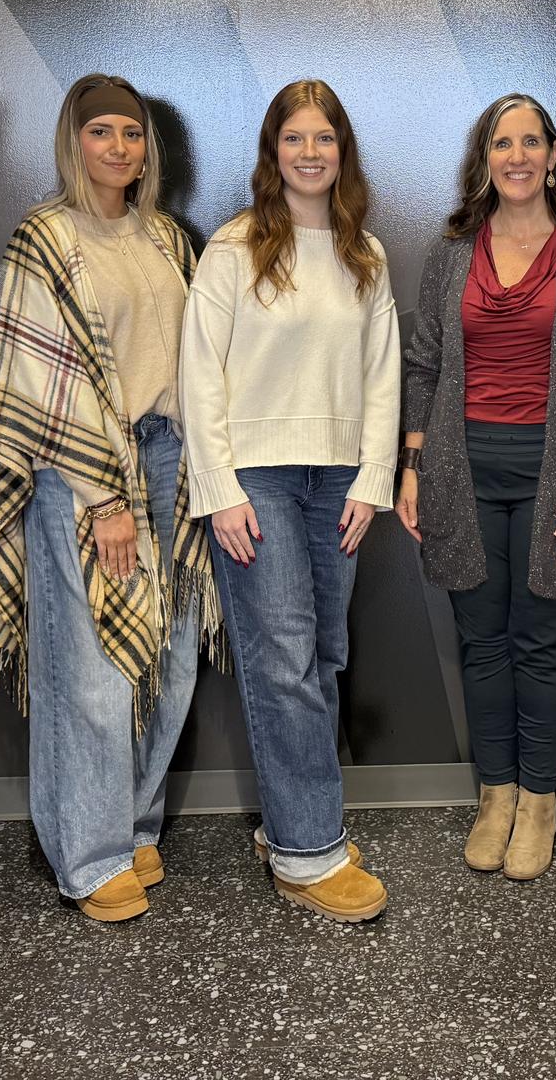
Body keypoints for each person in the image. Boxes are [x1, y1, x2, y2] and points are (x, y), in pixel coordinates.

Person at [0, 74, 220, 922]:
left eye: (133, 133)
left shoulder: (168, 240)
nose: (119, 148)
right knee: (95, 669)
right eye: (102, 131)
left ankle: (135, 827)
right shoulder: (45, 238)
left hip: (172, 461)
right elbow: (37, 384)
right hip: (85, 474)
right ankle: (89, 850)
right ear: (74, 141)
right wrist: (102, 495)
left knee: (171, 656)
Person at [397, 94, 556, 881]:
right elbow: (423, 365)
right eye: (504, 143)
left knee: (542, 644)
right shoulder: (451, 252)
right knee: (482, 643)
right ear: (486, 157)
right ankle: (494, 795)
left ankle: (538, 802)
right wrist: (412, 465)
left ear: (555, 153)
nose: (519, 156)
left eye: (532, 141)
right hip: (462, 476)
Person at [178, 79, 400, 922]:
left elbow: (383, 377)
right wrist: (221, 489)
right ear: (274, 152)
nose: (311, 152)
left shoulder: (364, 254)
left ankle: (292, 826)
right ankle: (309, 852)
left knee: (324, 658)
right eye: (295, 138)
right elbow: (199, 379)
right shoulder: (233, 251)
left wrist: (374, 478)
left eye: (325, 138)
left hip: (338, 479)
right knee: (280, 663)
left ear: (343, 151)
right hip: (257, 483)